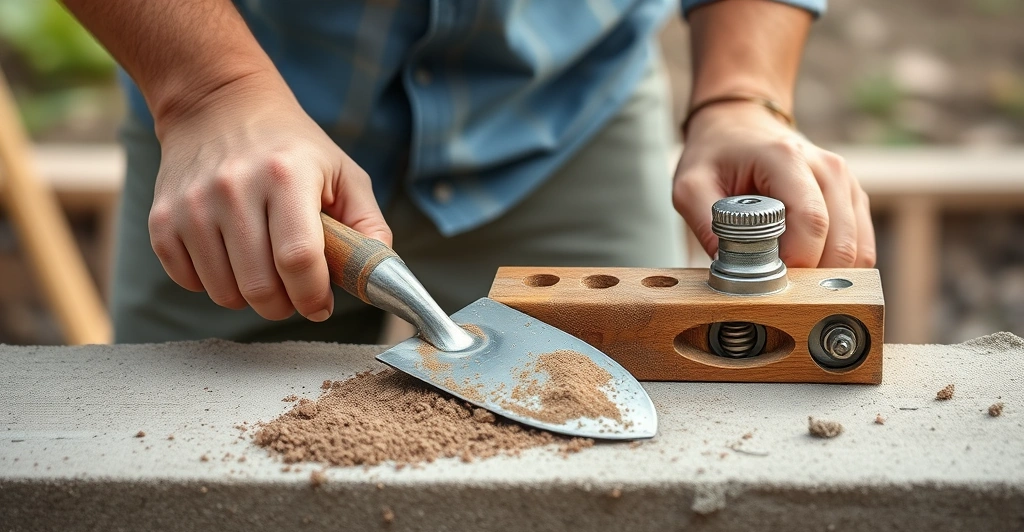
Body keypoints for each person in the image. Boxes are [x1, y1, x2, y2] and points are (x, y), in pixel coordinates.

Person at [65, 0, 875, 344]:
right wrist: (206, 87)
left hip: (562, 103)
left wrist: (742, 93)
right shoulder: (218, 94)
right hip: (237, 121)